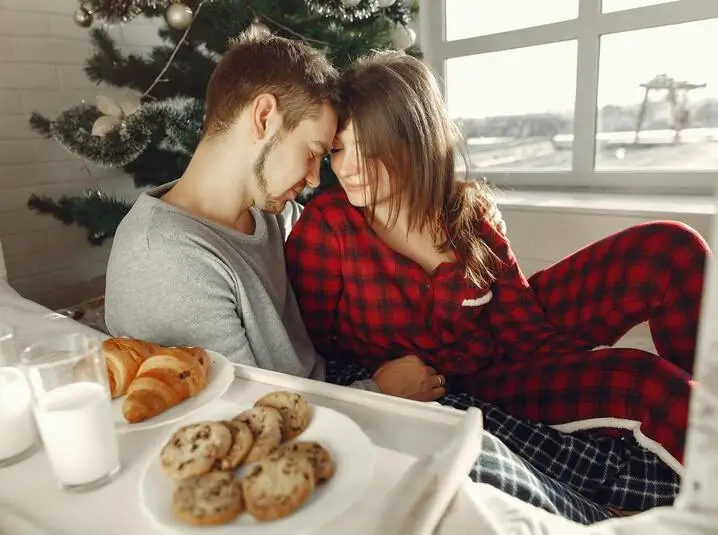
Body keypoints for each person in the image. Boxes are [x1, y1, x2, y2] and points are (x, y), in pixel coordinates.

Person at [104, 32, 677, 521]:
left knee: (545, 442)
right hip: (330, 422)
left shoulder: (269, 215)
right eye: (315, 152)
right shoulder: (168, 259)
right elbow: (251, 432)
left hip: (352, 389)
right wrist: (380, 392)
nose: (315, 177)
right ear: (263, 118)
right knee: (478, 454)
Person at [284, 49, 709, 467]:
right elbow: (310, 352)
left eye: (372, 150)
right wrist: (379, 387)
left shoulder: (469, 213)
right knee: (646, 384)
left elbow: (522, 326)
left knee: (672, 249)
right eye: (339, 149)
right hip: (464, 389)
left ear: (417, 144)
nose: (350, 169)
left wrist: (580, 367)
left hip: (509, 347)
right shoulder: (329, 227)